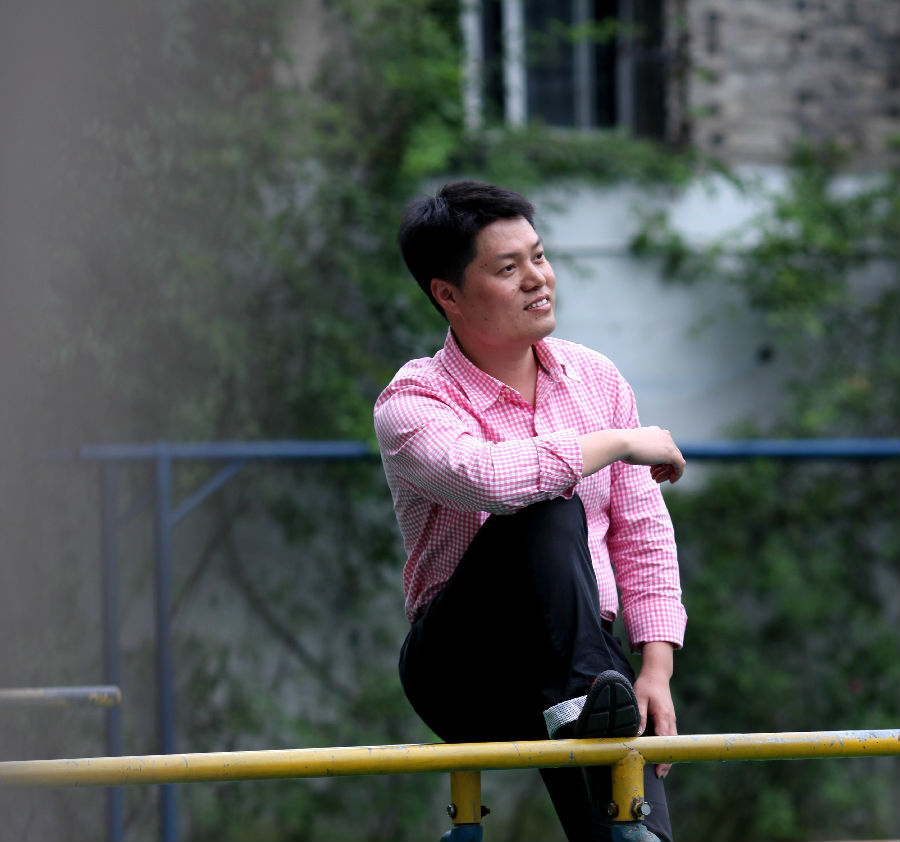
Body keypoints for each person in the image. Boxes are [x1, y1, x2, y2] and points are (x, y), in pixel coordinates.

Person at [373, 180, 687, 841]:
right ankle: (588, 712)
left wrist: (656, 668)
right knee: (547, 511)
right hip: (465, 668)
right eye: (507, 268)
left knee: (637, 837)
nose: (537, 279)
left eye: (539, 257)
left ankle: (591, 720)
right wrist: (618, 442)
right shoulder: (412, 401)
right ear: (448, 294)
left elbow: (642, 533)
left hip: (586, 667)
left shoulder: (596, 378)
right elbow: (489, 479)